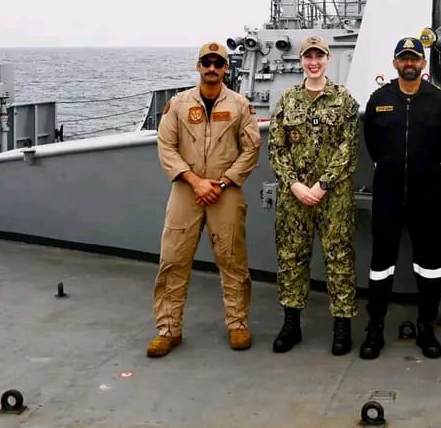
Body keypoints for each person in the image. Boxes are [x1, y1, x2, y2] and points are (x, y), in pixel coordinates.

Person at [148, 41, 261, 357]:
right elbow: (166, 146)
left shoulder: (239, 106)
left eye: (218, 63)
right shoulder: (179, 105)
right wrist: (195, 181)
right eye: (206, 62)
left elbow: (251, 149)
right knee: (173, 258)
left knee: (232, 259)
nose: (212, 68)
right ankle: (168, 329)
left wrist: (223, 183)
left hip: (226, 192)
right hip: (186, 190)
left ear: (226, 68)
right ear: (198, 66)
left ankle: (238, 324)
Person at [360, 37, 441, 359]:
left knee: (430, 264)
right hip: (387, 190)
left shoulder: (439, 101)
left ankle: (426, 327)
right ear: (395, 63)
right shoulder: (380, 99)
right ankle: (374, 328)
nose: (409, 63)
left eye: (415, 58)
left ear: (423, 64)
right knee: (381, 264)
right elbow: (371, 141)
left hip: (426, 191)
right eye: (404, 58)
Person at [267, 35, 360, 356]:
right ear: (302, 61)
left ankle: (342, 325)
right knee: (292, 258)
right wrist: (294, 185)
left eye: (319, 56)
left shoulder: (343, 100)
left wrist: (321, 185)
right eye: (308, 56)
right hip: (294, 197)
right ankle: (291, 324)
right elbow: (276, 148)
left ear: (327, 59)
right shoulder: (287, 101)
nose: (313, 62)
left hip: (332, 196)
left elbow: (349, 150)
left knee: (339, 259)